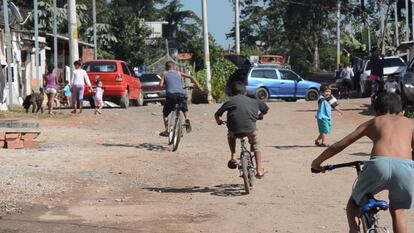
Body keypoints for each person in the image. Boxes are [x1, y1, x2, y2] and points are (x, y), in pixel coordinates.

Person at [311, 93, 414, 233]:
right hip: (405, 167)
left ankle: (355, 230)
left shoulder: (374, 122)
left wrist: (316, 163)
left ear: (376, 111)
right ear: (402, 112)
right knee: (398, 209)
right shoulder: (410, 122)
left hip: (378, 165)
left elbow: (338, 146)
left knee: (353, 203)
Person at [214, 81, 269, 178]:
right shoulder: (254, 101)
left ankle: (233, 156)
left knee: (231, 136)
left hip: (234, 129)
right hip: (250, 129)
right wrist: (259, 116)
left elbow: (217, 115)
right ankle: (259, 169)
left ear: (233, 93)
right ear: (245, 93)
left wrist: (219, 121)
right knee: (255, 144)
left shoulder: (230, 101)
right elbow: (265, 109)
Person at [159, 61, 201, 136]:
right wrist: (198, 86)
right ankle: (187, 119)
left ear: (166, 67)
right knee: (184, 107)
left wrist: (165, 82)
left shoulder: (165, 73)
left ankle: (166, 130)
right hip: (181, 94)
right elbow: (191, 77)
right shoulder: (178, 72)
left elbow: (160, 85)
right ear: (174, 67)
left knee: (165, 114)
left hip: (171, 95)